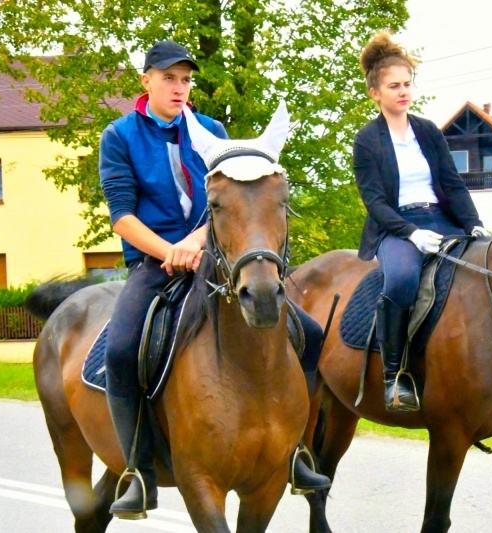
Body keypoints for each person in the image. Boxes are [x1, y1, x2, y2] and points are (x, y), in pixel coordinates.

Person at [99, 40, 330, 519]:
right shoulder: (119, 136)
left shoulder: (212, 132)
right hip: (153, 263)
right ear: (146, 81)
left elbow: (229, 204)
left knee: (308, 333)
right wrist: (171, 250)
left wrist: (197, 240)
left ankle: (296, 452)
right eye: (168, 78)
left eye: (185, 80)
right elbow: (121, 216)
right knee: (120, 349)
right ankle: (138, 472)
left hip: (215, 259)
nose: (178, 87)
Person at [353, 32, 487, 412]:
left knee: (485, 267)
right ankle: (395, 377)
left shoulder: (427, 130)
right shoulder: (366, 140)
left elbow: (451, 182)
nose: (403, 92)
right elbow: (375, 202)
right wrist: (411, 233)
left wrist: (474, 223)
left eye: (407, 84)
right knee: (401, 280)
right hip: (395, 227)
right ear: (375, 93)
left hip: (442, 219)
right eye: (394, 86)